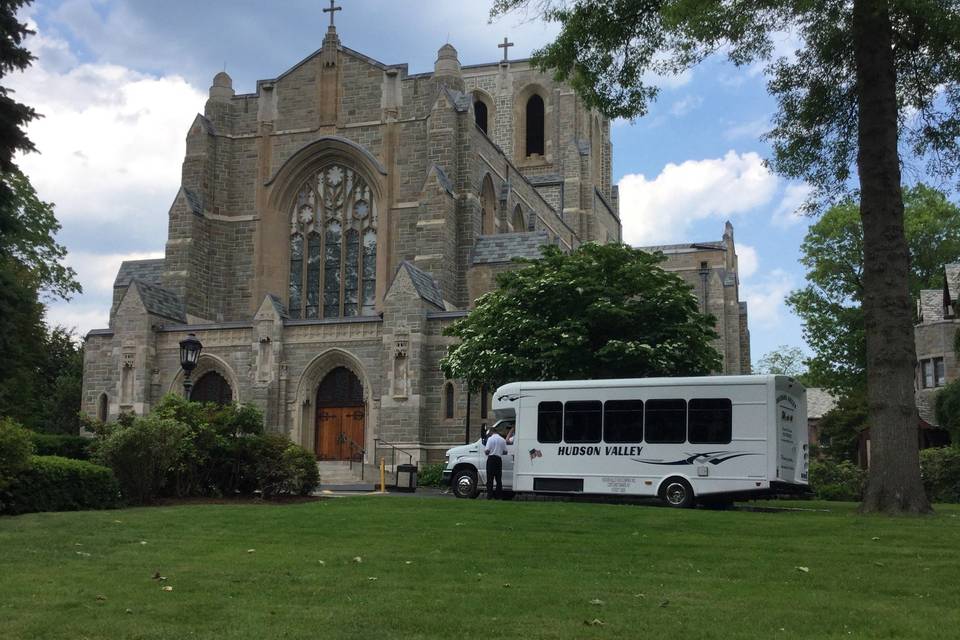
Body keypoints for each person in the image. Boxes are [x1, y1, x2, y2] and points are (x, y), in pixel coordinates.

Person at [484, 425, 508, 499]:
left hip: (491, 459)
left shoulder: (490, 439)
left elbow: (487, 450)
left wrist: (486, 452)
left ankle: (489, 495)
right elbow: (505, 452)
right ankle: (498, 495)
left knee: (490, 478)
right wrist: (499, 452)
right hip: (498, 459)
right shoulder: (502, 440)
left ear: (491, 432)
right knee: (498, 479)